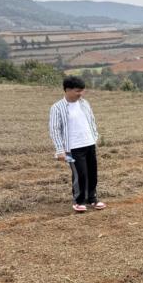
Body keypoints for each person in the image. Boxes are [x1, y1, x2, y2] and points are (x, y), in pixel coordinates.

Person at [49, 76, 106, 213]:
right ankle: (79, 201)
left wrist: (95, 136)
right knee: (80, 174)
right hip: (73, 147)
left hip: (89, 143)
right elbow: (55, 130)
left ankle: (92, 198)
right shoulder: (57, 108)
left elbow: (91, 120)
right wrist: (60, 150)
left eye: (82, 90)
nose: (81, 94)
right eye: (77, 91)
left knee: (92, 173)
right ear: (67, 90)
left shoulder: (84, 103)